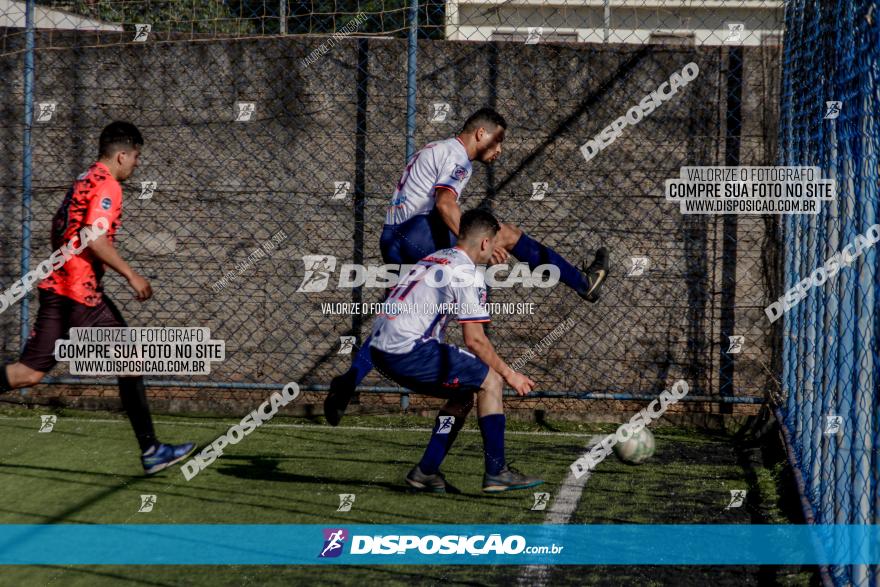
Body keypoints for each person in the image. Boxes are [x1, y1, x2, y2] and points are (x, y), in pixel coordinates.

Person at [0, 121, 195, 475]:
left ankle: (152, 449)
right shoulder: (108, 186)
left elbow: (58, 226)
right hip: (79, 293)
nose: (136, 164)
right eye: (135, 157)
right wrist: (131, 274)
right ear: (122, 155)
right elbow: (93, 237)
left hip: (57, 289)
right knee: (131, 360)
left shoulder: (84, 178)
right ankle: (152, 450)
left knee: (26, 374)